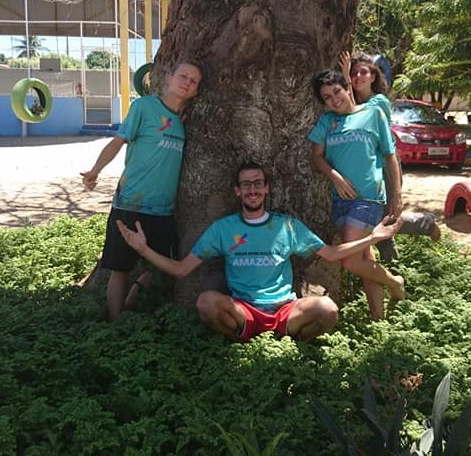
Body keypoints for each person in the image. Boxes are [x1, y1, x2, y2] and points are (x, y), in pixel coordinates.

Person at [116, 162, 404, 342]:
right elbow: (181, 269)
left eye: (258, 183)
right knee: (206, 303)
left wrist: (372, 238)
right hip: (243, 310)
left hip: (285, 310)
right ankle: (243, 341)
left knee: (327, 310)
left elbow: (330, 253)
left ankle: (290, 342)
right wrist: (143, 249)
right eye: (246, 184)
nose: (252, 189)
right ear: (237, 191)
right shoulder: (223, 228)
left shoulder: (286, 226)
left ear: (266, 188)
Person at [81, 60, 202, 320]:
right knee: (119, 269)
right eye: (183, 76)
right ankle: (115, 324)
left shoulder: (184, 120)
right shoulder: (143, 107)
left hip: (163, 211)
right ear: (168, 78)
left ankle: (130, 305)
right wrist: (95, 170)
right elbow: (117, 143)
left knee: (155, 268)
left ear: (195, 91)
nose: (187, 82)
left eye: (193, 81)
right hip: (129, 204)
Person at [308, 70, 407, 320]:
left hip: (368, 197)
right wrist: (336, 177)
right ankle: (378, 319)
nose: (334, 99)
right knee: (364, 255)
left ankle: (395, 282)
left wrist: (396, 193)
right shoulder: (327, 122)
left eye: (337, 91)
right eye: (327, 97)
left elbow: (390, 155)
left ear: (346, 88)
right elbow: (316, 157)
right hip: (340, 199)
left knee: (350, 261)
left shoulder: (372, 114)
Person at [339, 51, 441, 260]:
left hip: (385, 168)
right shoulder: (352, 101)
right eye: (353, 73)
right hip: (366, 170)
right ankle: (392, 263)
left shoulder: (379, 102)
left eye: (363, 72)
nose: (357, 77)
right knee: (375, 222)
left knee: (385, 219)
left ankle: (426, 224)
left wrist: (396, 192)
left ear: (373, 76)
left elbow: (356, 113)